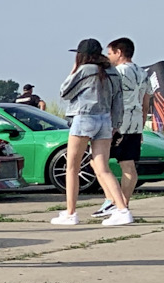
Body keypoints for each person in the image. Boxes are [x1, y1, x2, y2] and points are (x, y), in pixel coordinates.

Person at [52, 38, 130, 226]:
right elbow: (118, 101)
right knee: (103, 168)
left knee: (72, 167)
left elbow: (64, 92)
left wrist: (73, 69)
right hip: (105, 120)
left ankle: (71, 213)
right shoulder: (112, 72)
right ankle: (122, 210)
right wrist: (116, 124)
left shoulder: (85, 70)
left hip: (84, 118)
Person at [102, 37, 148, 214]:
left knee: (97, 163)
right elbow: (146, 102)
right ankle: (124, 204)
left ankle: (113, 200)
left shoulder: (117, 72)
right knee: (128, 165)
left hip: (119, 123)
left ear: (119, 53)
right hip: (135, 122)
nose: (108, 57)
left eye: (110, 53)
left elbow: (110, 98)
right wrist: (142, 126)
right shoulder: (142, 72)